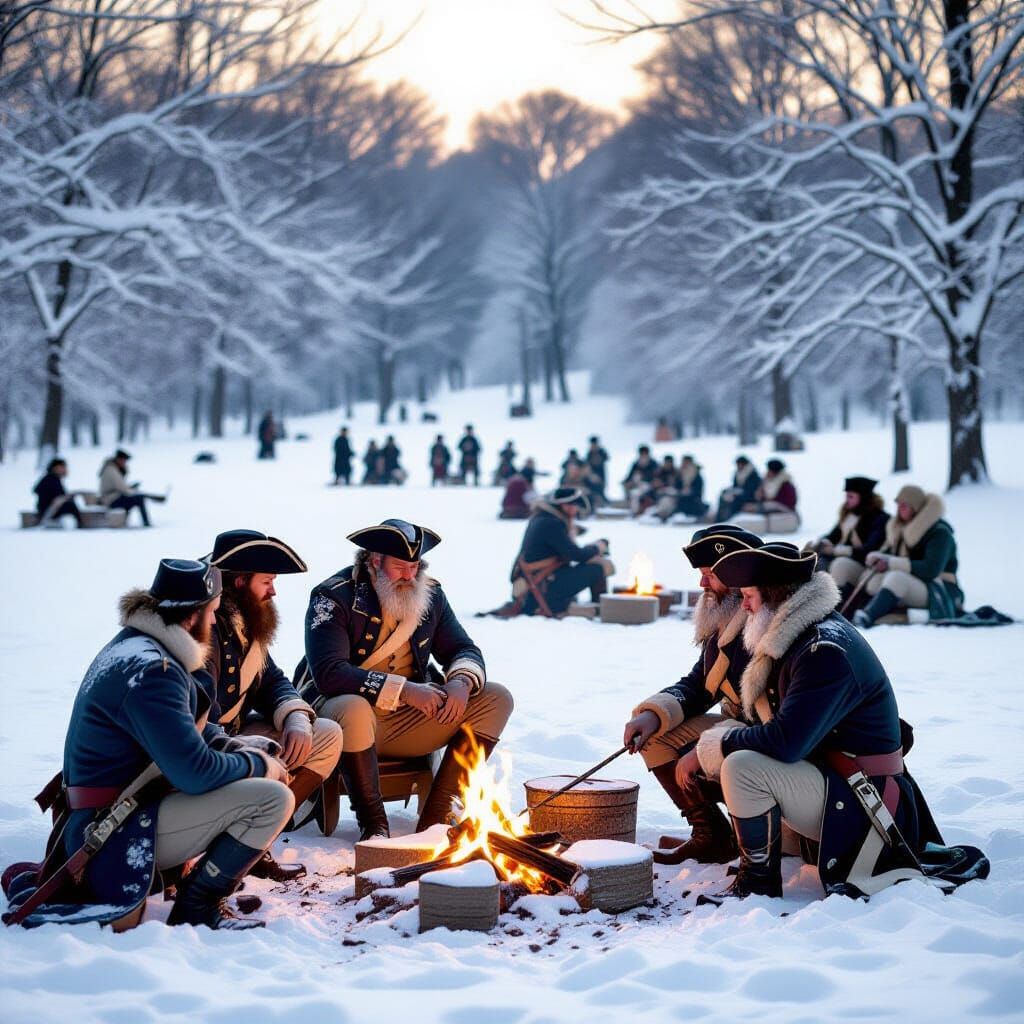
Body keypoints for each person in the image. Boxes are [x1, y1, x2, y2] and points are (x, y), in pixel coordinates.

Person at [687, 542, 947, 904]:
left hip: (864, 796)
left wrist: (720, 744)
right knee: (745, 763)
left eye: (749, 595)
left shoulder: (823, 650)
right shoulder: (805, 633)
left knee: (743, 767)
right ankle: (777, 852)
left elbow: (788, 741)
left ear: (776, 595)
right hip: (840, 780)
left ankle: (757, 884)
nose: (744, 606)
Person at [51, 559, 293, 929]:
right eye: (211, 613)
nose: (214, 623)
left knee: (257, 782)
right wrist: (259, 765)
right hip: (110, 831)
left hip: (120, 810)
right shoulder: (153, 672)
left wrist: (235, 746)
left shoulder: (139, 649)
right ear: (191, 617)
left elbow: (175, 732)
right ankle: (199, 905)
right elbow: (194, 773)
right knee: (272, 799)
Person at [300, 520, 514, 839]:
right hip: (345, 721)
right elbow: (329, 674)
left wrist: (460, 682)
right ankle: (374, 825)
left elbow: (462, 647)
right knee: (354, 708)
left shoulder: (431, 594)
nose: (409, 576)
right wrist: (406, 691)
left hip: (409, 722)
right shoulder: (332, 596)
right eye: (400, 567)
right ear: (374, 561)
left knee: (497, 697)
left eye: (414, 567)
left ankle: (437, 818)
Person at [203, 531, 343, 878]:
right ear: (239, 582)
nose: (273, 591)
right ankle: (231, 849)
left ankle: (254, 843)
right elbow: (197, 719)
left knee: (325, 734)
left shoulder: (244, 620)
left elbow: (270, 680)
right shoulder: (202, 624)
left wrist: (294, 716)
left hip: (234, 734)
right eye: (266, 581)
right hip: (209, 744)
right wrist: (248, 747)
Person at [622, 525, 763, 865]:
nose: (702, 585)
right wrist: (652, 714)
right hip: (739, 727)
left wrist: (708, 748)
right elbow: (700, 685)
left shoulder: (762, 623)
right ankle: (711, 834)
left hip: (767, 740)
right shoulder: (729, 620)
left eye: (710, 575)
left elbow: (779, 721)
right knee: (657, 735)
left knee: (693, 749)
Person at [851, 485, 963, 628]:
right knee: (874, 580)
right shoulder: (900, 529)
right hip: (916, 583)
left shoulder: (940, 533)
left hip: (939, 589)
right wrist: (880, 559)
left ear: (916, 508)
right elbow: (891, 555)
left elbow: (930, 570)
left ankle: (868, 616)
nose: (899, 509)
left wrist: (891, 563)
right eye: (898, 505)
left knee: (896, 578)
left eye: (905, 506)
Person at [509, 487, 614, 617]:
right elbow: (577, 555)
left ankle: (595, 605)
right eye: (572, 505)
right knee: (599, 567)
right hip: (542, 588)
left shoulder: (543, 518)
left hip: (539, 583)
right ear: (563, 505)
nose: (575, 509)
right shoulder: (552, 523)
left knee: (593, 559)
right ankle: (601, 608)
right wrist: (598, 547)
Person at [807, 476, 889, 579]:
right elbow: (834, 536)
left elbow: (869, 549)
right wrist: (823, 542)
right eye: (846, 496)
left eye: (851, 496)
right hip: (842, 558)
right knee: (812, 560)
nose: (846, 500)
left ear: (863, 497)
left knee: (827, 564)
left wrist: (836, 550)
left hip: (862, 563)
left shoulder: (879, 518)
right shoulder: (849, 515)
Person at [98, 449, 160, 526]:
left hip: (113, 497)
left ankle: (125, 521)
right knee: (139, 499)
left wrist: (132, 489)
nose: (125, 463)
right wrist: (136, 493)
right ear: (118, 459)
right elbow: (123, 489)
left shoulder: (113, 469)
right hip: (110, 500)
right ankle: (146, 523)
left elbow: (120, 487)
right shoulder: (111, 471)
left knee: (134, 499)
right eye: (124, 460)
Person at [741, 458, 799, 531]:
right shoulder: (768, 481)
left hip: (784, 508)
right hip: (772, 505)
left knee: (760, 507)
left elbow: (787, 501)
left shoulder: (785, 483)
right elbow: (761, 497)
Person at [32, 457, 83, 527]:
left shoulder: (53, 479)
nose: (65, 470)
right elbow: (57, 497)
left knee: (70, 503)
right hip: (48, 510)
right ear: (56, 468)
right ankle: (81, 524)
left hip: (48, 509)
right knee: (70, 505)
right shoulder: (50, 480)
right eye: (63, 467)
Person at [714, 455, 762, 521]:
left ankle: (730, 519)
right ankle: (719, 519)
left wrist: (736, 493)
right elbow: (735, 486)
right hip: (740, 494)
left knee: (735, 500)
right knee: (724, 494)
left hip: (749, 497)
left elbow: (751, 490)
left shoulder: (752, 474)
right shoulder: (737, 473)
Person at [676, 455, 708, 520]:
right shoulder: (680, 473)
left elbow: (698, 489)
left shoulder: (696, 474)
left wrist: (689, 491)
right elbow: (677, 485)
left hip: (693, 498)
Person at [584, 436, 609, 503]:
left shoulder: (601, 451)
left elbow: (607, 458)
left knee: (601, 488)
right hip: (592, 475)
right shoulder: (589, 453)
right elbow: (586, 464)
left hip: (601, 474)